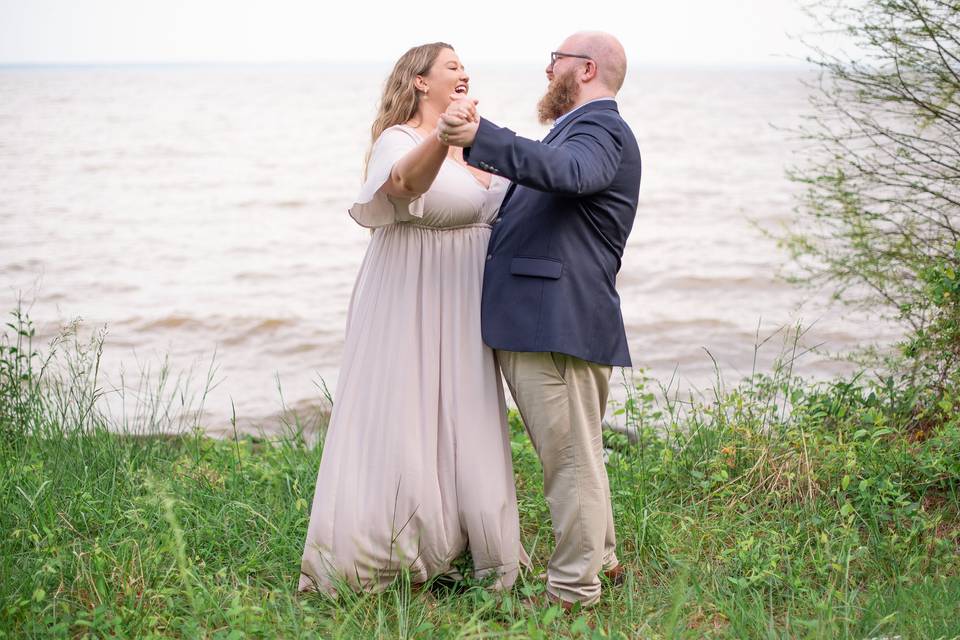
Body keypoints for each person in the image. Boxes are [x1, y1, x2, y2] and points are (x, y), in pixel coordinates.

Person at [299, 42, 525, 596]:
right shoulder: (398, 140)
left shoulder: (478, 144)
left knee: (467, 412)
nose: (464, 73)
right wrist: (441, 138)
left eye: (465, 68)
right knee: (405, 409)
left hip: (469, 296)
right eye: (452, 66)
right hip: (411, 292)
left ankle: (468, 546)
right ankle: (389, 548)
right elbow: (402, 185)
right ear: (420, 82)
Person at [438, 31, 642, 608]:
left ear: (583, 69)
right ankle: (601, 559)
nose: (545, 71)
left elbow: (568, 173)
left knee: (571, 462)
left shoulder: (600, 128)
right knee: (581, 453)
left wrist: (483, 136)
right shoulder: (577, 132)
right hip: (551, 321)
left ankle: (574, 592)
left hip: (552, 323)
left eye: (553, 61)